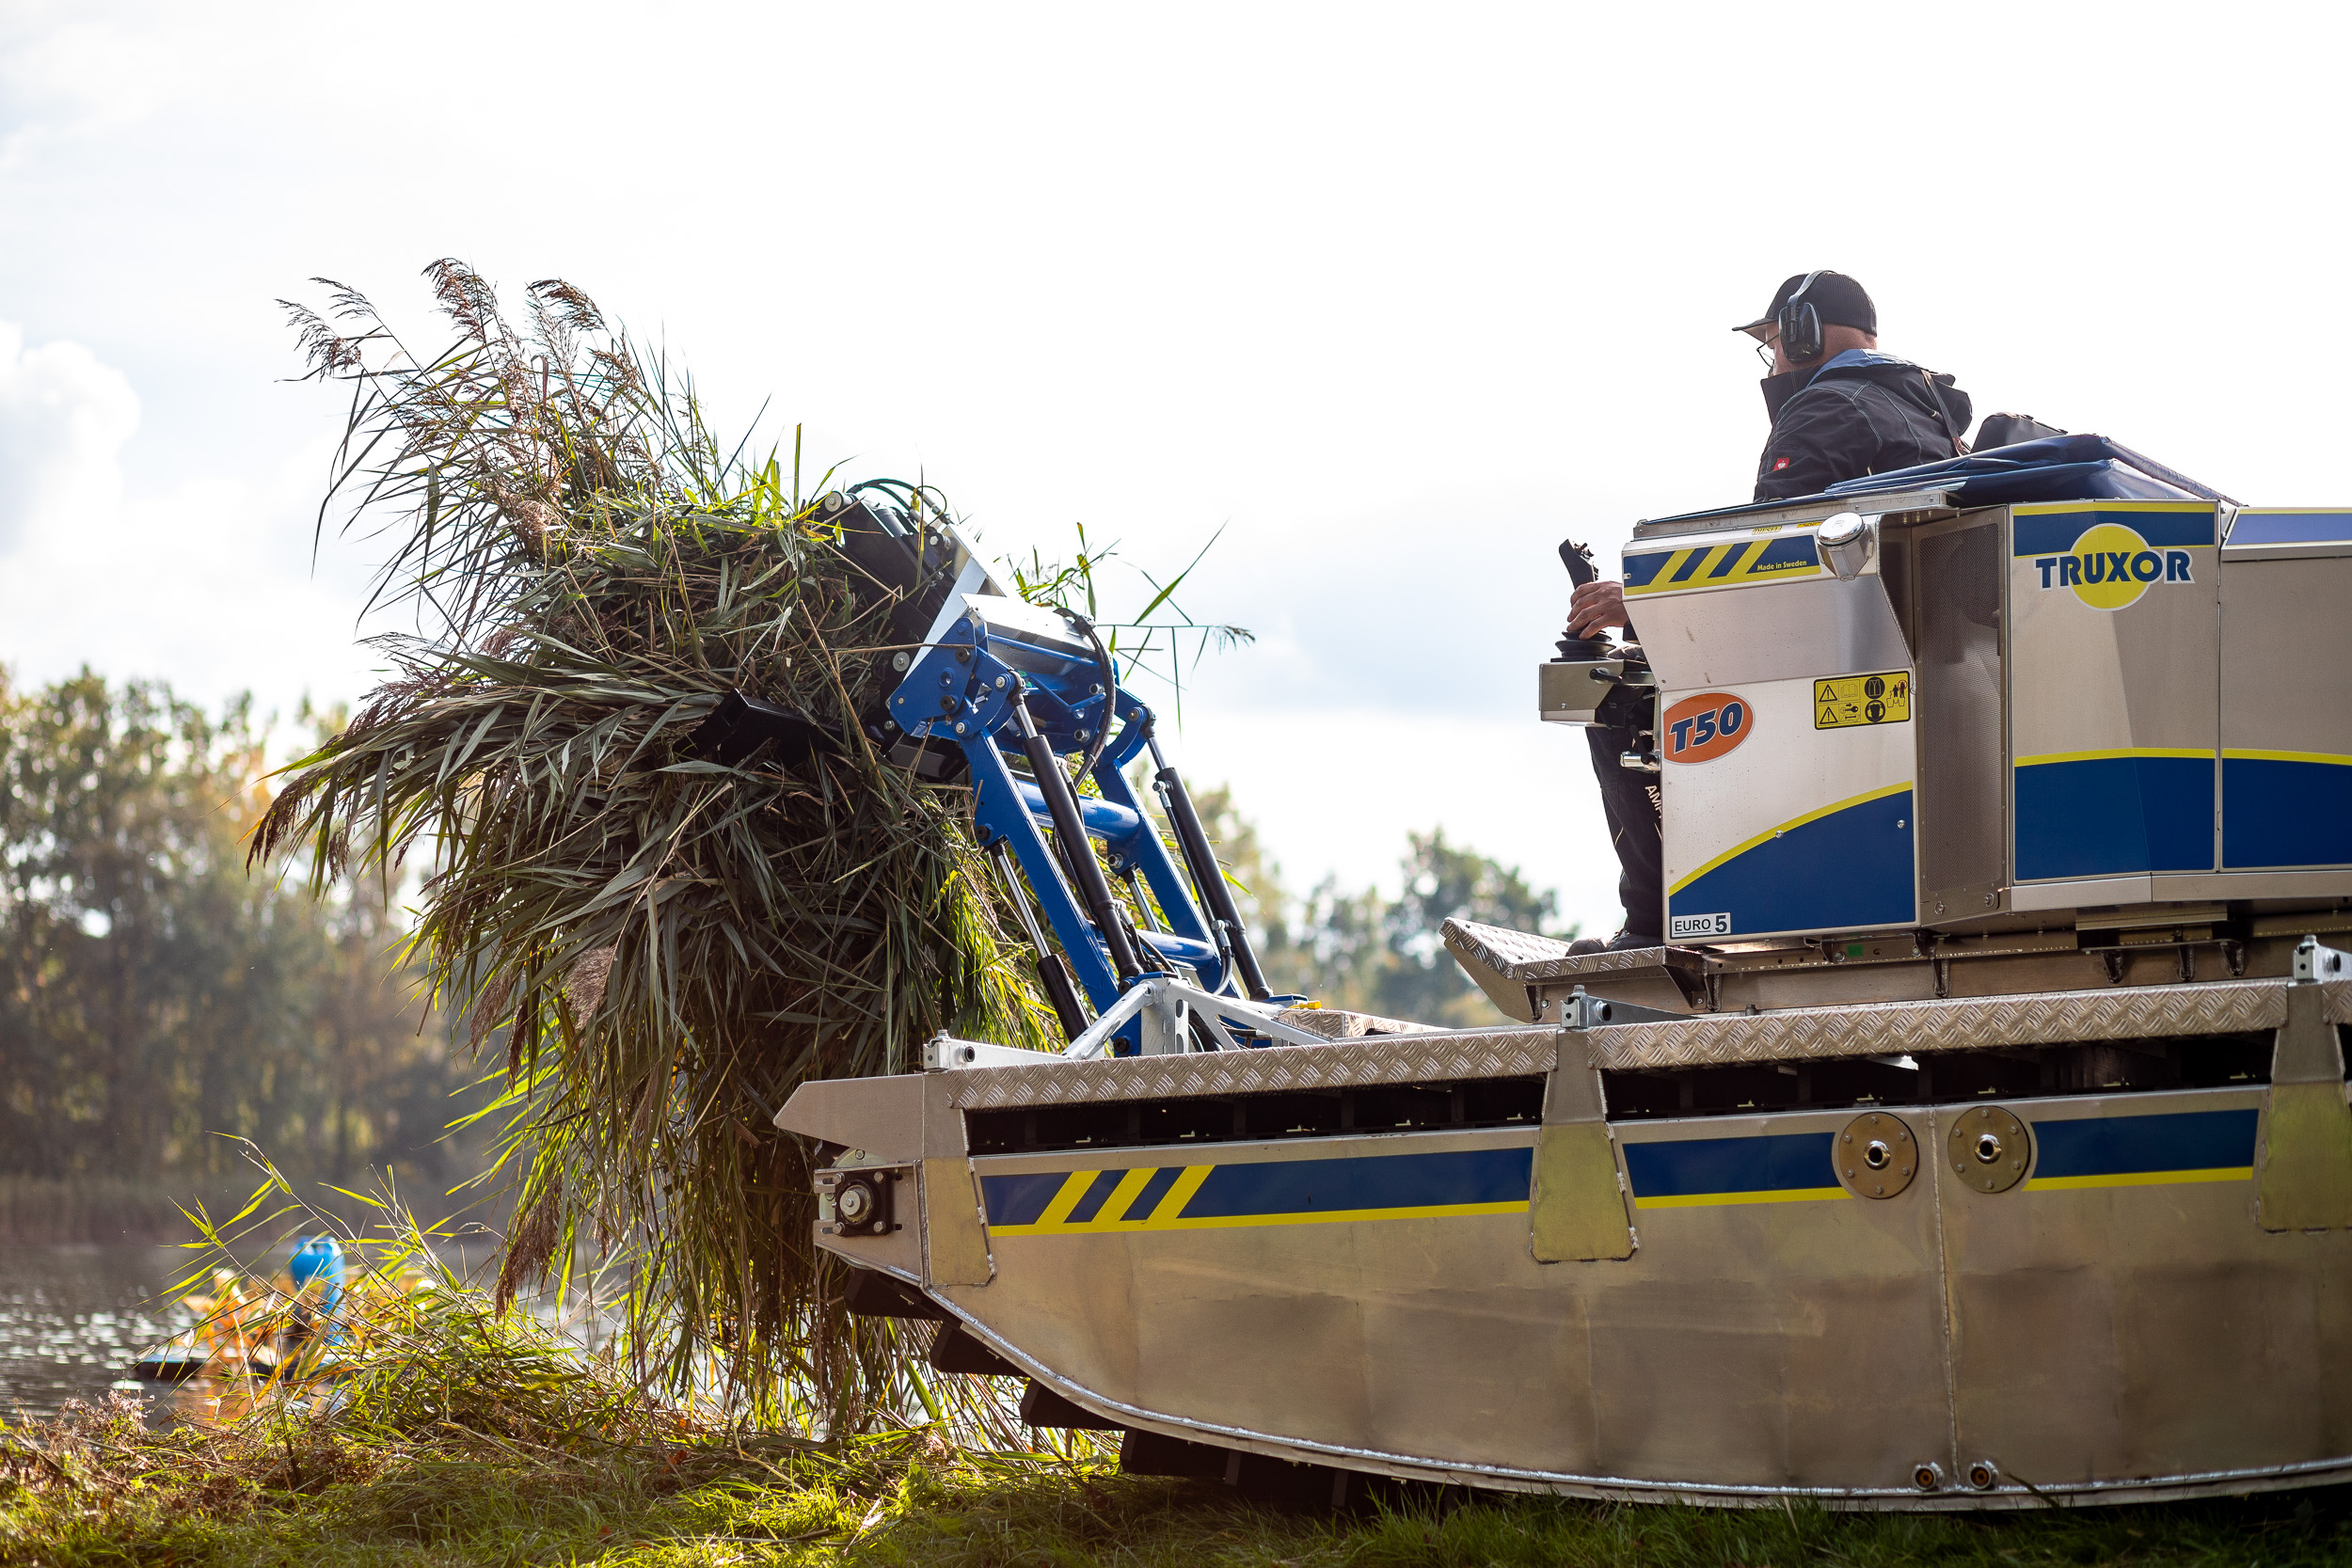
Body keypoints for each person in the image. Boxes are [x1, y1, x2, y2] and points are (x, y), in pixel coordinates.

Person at [1559, 271, 1972, 953]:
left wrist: (1636, 605)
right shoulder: (1923, 413)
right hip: (1897, 689)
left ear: (1807, 333)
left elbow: (1769, 568)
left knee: (1608, 688)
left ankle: (1654, 925)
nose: (1774, 364)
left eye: (1776, 343)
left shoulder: (1824, 410)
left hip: (1825, 697)